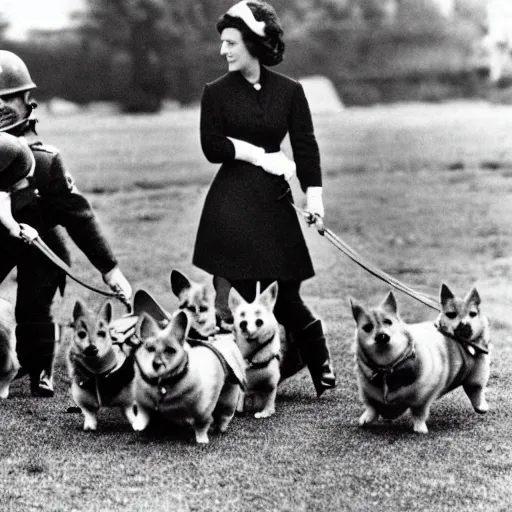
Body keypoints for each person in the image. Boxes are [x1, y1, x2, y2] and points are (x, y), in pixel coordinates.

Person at [192, 0, 336, 397]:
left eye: (231, 42)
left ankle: (320, 365)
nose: (223, 51)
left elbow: (305, 147)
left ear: (254, 43)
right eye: (222, 42)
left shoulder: (289, 91)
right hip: (231, 207)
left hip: (275, 205)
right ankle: (232, 379)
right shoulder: (215, 93)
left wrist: (315, 199)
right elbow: (211, 146)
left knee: (285, 295)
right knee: (234, 301)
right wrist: (259, 155)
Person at [0, 50, 132, 397]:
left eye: (8, 97)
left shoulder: (44, 161)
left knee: (33, 307)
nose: (0, 106)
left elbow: (79, 217)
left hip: (41, 242)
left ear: (28, 100)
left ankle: (39, 365)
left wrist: (110, 269)